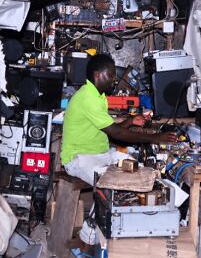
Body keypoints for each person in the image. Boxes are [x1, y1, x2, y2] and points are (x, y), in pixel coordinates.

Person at [61, 53, 176, 187]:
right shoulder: (88, 98)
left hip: (99, 155)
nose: (114, 79)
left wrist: (130, 121)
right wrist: (154, 138)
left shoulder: (98, 96)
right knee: (132, 180)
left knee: (144, 171)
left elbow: (108, 129)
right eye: (110, 75)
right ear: (97, 75)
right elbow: (116, 133)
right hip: (79, 159)